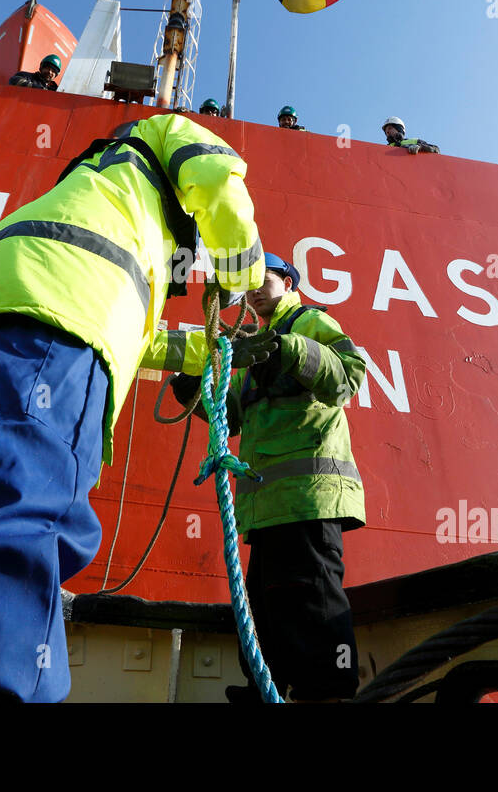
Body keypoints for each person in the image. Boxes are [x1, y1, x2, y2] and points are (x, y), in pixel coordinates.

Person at [0, 113, 270, 703]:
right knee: (21, 510)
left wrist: (215, 352)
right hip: (60, 317)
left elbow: (143, 338)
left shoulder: (106, 196)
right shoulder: (164, 134)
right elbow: (218, 177)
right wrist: (247, 275)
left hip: (22, 308)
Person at [170, 251, 366, 703]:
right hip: (266, 506)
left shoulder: (308, 322)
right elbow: (231, 416)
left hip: (310, 498)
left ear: (289, 281)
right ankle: (265, 688)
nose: (255, 287)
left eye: (266, 278)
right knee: (265, 607)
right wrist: (193, 390)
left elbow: (348, 378)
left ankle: (330, 691)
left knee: (314, 601)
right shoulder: (253, 345)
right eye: (250, 281)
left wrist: (291, 349)